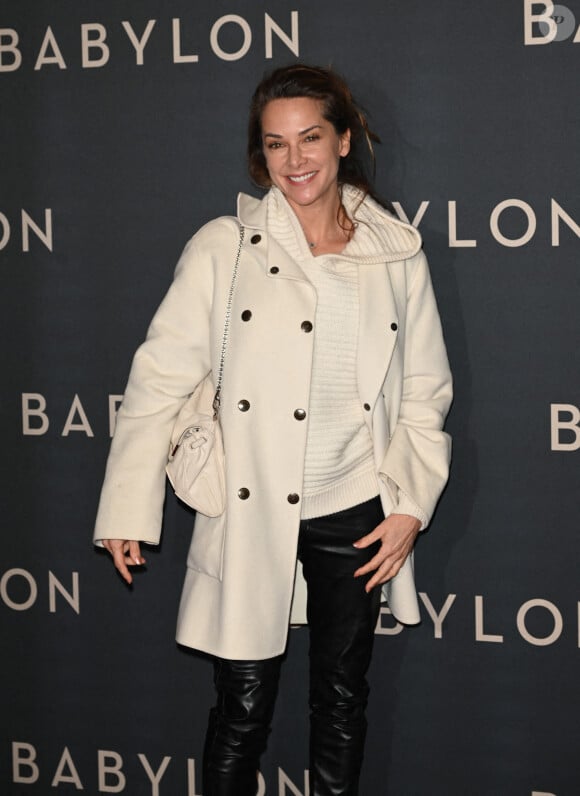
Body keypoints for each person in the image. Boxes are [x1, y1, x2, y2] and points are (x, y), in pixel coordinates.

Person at [94, 63, 452, 796]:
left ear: (344, 139)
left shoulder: (395, 256)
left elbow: (424, 391)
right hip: (253, 507)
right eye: (277, 143)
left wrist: (410, 502)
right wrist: (127, 506)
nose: (296, 161)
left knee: (343, 700)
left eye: (311, 138)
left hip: (355, 509)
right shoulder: (224, 247)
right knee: (242, 707)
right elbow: (158, 380)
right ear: (262, 154)